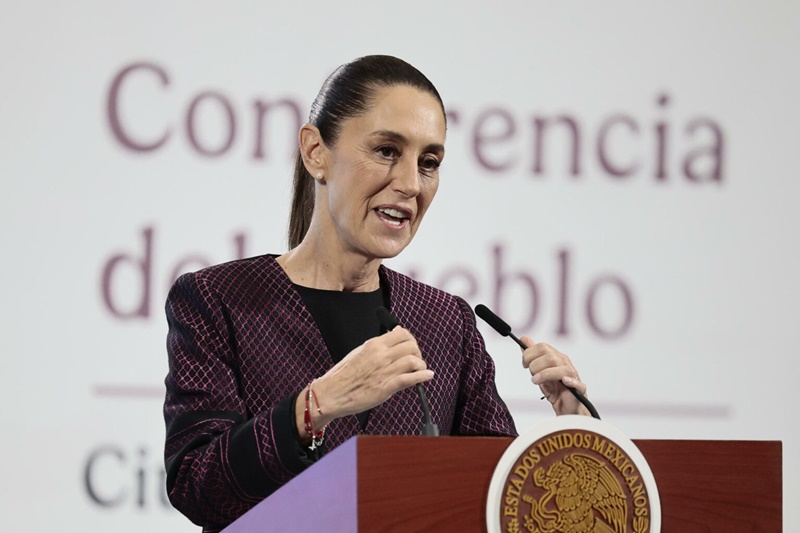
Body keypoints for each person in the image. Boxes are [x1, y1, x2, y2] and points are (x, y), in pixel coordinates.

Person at [163, 55, 590, 532]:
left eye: (429, 163)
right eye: (387, 151)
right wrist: (317, 404)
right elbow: (197, 486)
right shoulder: (220, 299)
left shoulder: (444, 322)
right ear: (315, 152)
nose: (410, 184)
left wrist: (571, 433)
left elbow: (492, 501)